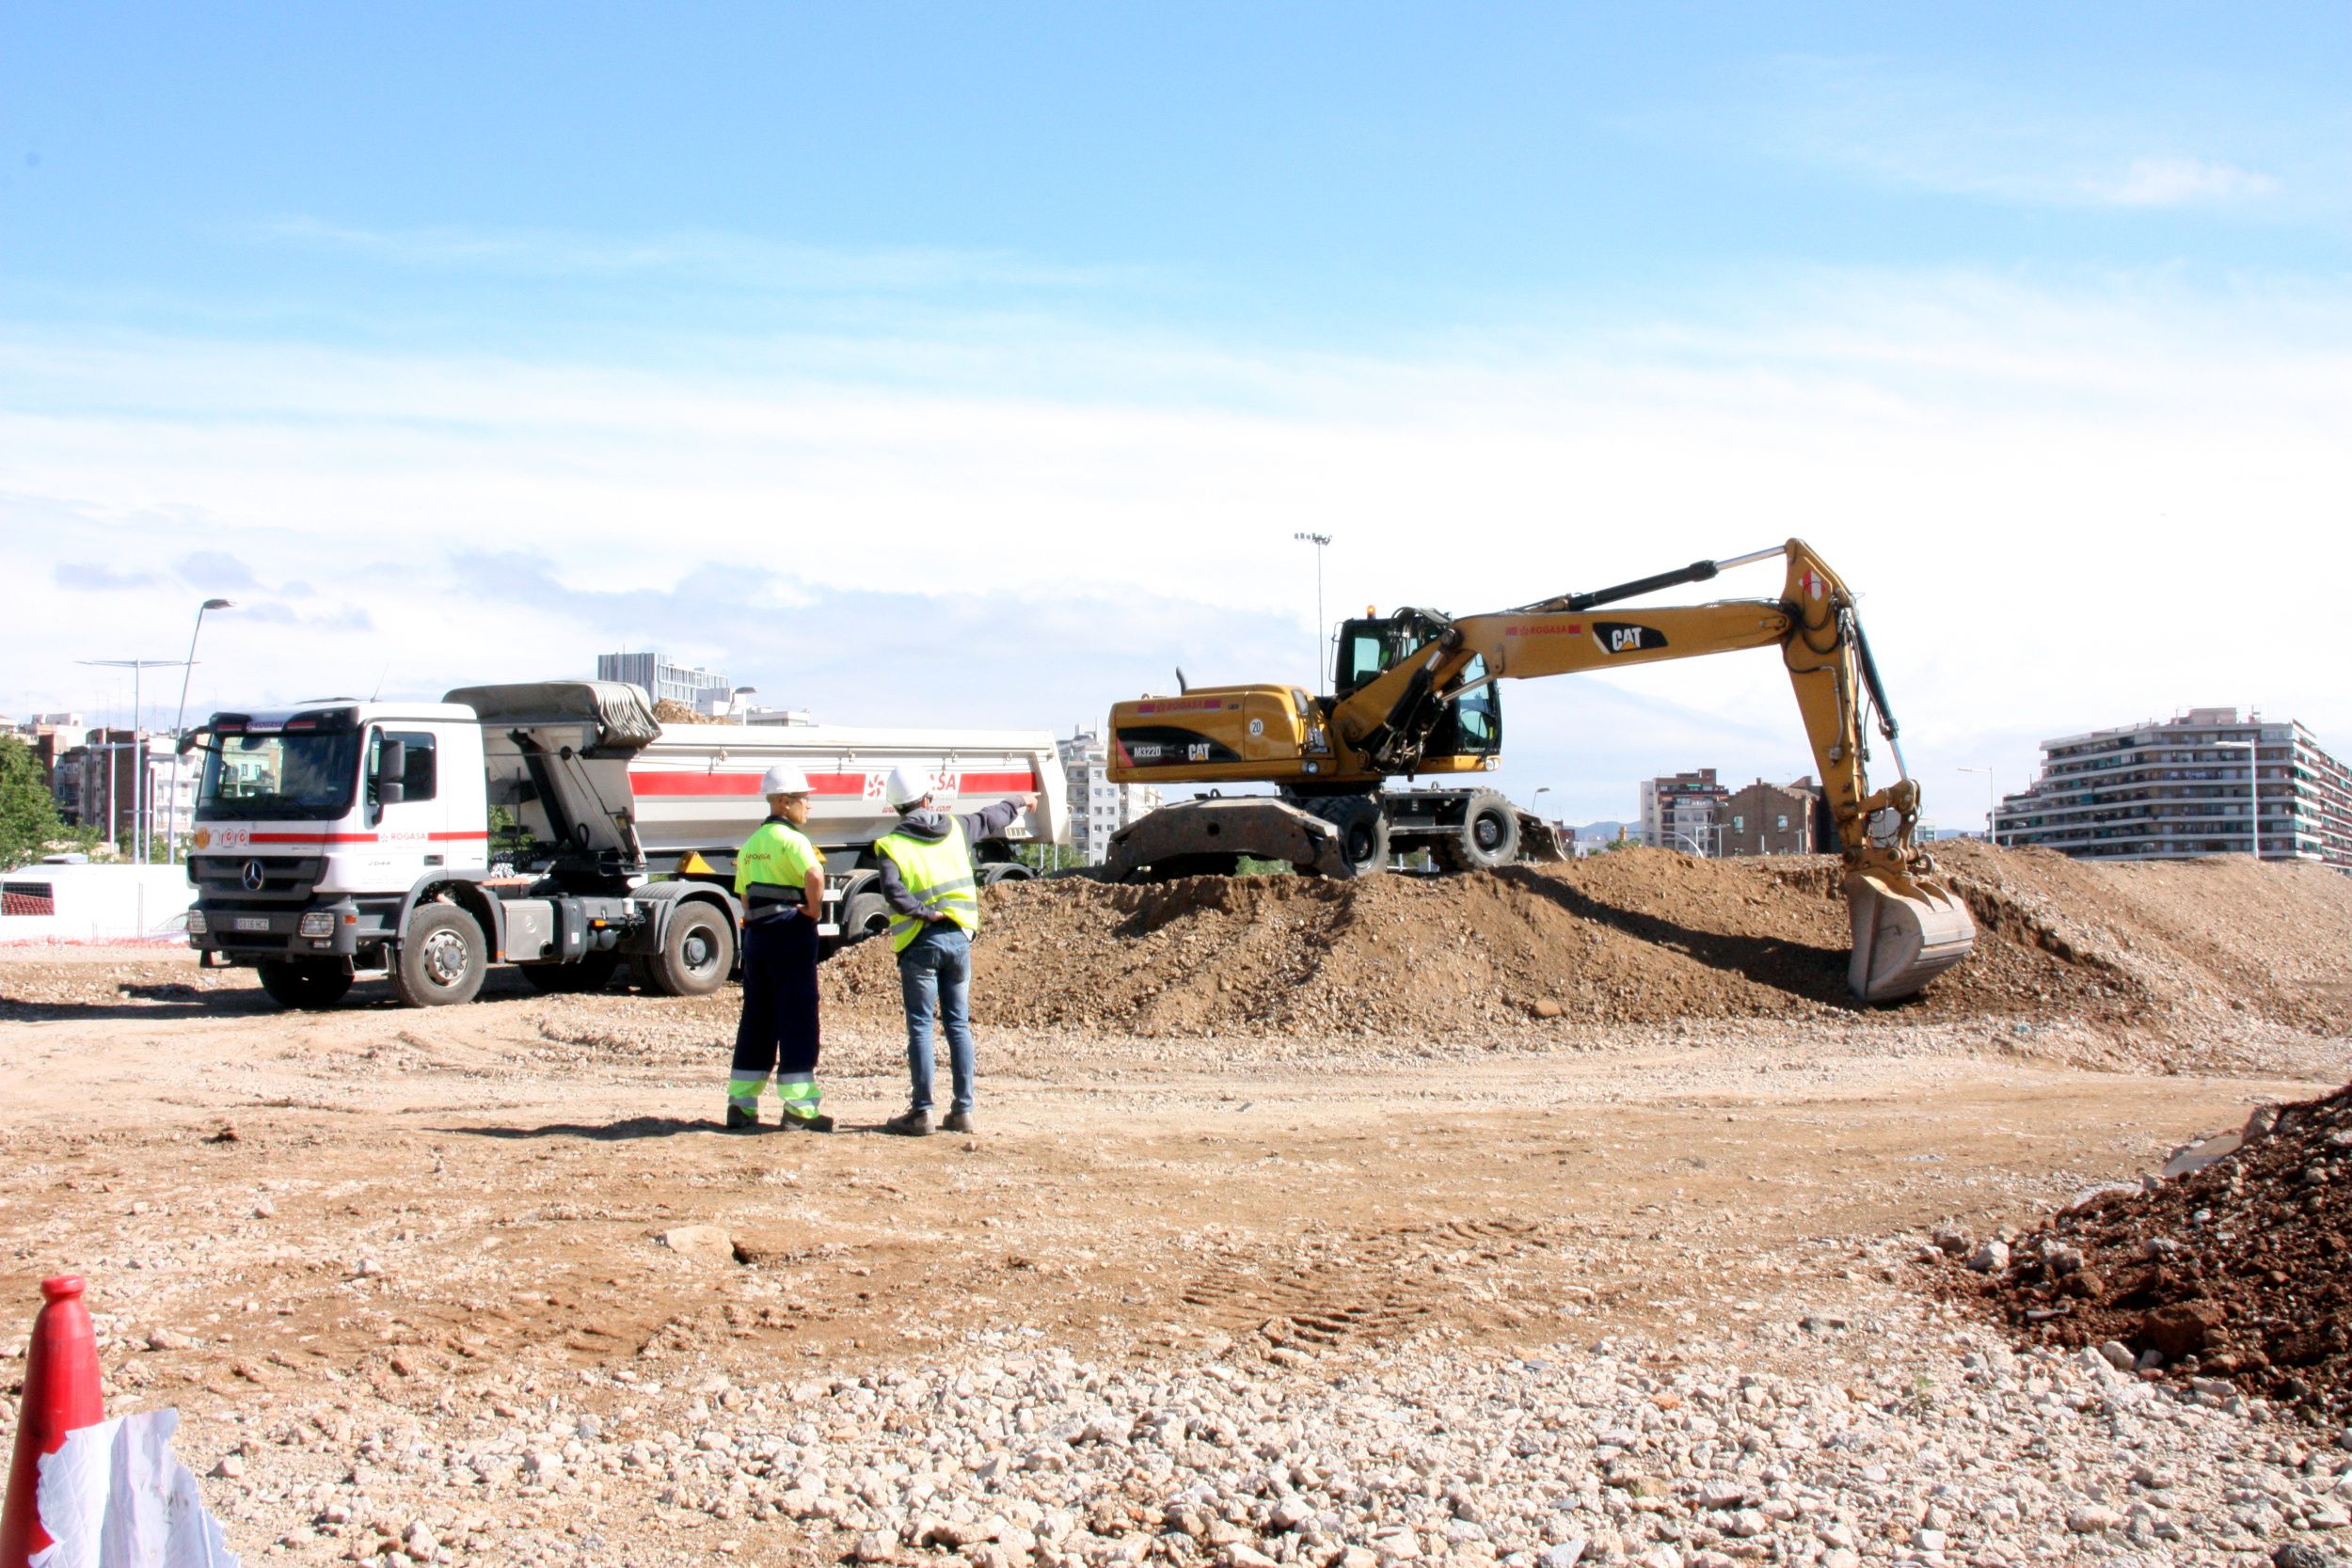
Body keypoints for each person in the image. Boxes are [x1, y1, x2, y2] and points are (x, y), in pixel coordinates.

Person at [873, 765, 1038, 1136]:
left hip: (920, 942)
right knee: (958, 1024)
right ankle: (963, 1110)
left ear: (896, 807)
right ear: (928, 798)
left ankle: (922, 1113)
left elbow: (894, 893)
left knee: (921, 1026)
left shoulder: (890, 845)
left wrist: (922, 913)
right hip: (959, 940)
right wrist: (1021, 801)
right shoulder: (956, 829)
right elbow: (991, 817)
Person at [725, 763, 832, 1132]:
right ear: (785, 802)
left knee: (757, 1018)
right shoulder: (794, 841)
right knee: (798, 1017)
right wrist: (814, 910)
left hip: (757, 937)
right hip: (790, 930)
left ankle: (741, 1105)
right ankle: (800, 1111)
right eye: (804, 799)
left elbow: (743, 896)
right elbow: (814, 874)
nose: (809, 806)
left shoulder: (752, 844)